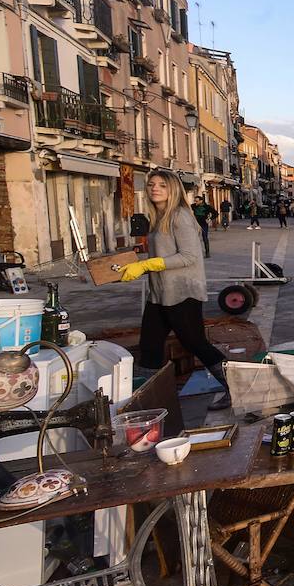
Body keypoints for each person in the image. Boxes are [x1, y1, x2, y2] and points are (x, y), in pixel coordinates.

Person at [120, 170, 231, 409]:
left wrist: (148, 264)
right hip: (160, 294)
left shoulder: (179, 216)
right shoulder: (158, 217)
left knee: (196, 344)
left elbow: (190, 256)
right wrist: (137, 265)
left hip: (183, 292)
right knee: (149, 345)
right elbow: (163, 253)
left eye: (162, 185)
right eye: (151, 184)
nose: (155, 188)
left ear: (173, 190)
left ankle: (235, 387)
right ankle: (143, 401)